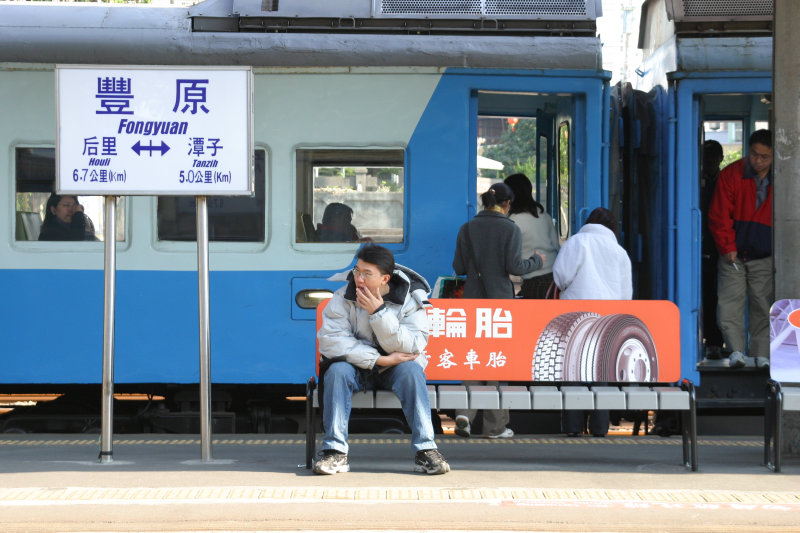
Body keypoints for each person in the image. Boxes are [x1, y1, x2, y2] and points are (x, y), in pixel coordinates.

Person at [315, 244, 450, 475]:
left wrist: (379, 313)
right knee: (336, 371)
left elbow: (414, 345)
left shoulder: (410, 299)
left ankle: (425, 450)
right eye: (357, 271)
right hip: (357, 366)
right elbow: (332, 341)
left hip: (396, 367)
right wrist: (380, 360)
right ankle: (335, 452)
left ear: (385, 278)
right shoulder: (342, 297)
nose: (359, 278)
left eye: (367, 274)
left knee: (412, 372)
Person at [451, 182, 544, 439]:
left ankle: (464, 415)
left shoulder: (466, 228)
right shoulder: (509, 228)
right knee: (496, 361)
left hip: (471, 303)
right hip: (500, 305)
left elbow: (458, 266)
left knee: (472, 359)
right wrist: (537, 260)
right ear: (507, 204)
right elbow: (515, 266)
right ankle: (494, 427)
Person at [553, 207, 632, 437]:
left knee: (573, 372)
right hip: (608, 320)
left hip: (575, 318)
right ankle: (599, 428)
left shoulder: (577, 242)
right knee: (601, 373)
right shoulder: (619, 252)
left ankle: (572, 428)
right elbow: (626, 295)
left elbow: (560, 277)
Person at [708, 129, 773, 370]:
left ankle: (761, 354)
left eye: (764, 156)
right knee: (729, 303)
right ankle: (736, 351)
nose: (758, 160)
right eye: (754, 155)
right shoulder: (731, 174)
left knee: (762, 304)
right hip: (733, 254)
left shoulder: (783, 175)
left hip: (764, 253)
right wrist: (727, 247)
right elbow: (718, 215)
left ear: (774, 155)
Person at [504, 173, 560, 298]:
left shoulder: (514, 221)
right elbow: (556, 246)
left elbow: (507, 257)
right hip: (553, 277)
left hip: (535, 282)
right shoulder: (543, 214)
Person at [700, 140, 725, 358]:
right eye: (705, 157)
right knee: (704, 295)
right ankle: (708, 341)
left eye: (712, 157)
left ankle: (717, 341)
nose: (708, 162)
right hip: (700, 245)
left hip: (721, 247)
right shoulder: (695, 181)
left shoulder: (725, 182)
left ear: (720, 159)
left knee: (719, 297)